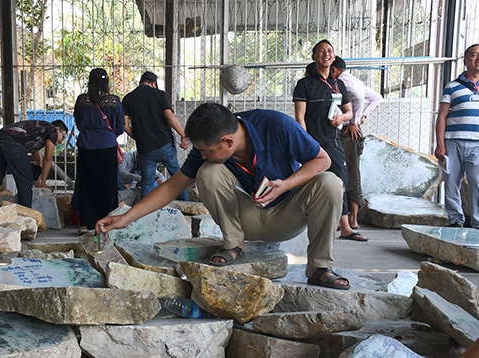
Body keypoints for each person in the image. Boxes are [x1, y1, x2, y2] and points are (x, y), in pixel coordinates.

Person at [97, 103, 351, 290]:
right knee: (208, 172)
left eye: (207, 151)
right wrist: (127, 219)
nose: (202, 155)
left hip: (287, 215)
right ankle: (234, 243)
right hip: (246, 218)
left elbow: (323, 159)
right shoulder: (208, 147)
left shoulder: (276, 125)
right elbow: (171, 187)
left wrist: (286, 184)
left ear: (228, 141)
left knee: (330, 182)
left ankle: (318, 267)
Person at [293, 40, 367, 242]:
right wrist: (306, 142)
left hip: (333, 142)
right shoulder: (304, 84)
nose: (325, 54)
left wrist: (343, 118)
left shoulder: (338, 84)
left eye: (329, 51)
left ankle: (345, 227)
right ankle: (306, 225)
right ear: (314, 57)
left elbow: (349, 111)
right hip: (313, 142)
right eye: (321, 51)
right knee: (312, 182)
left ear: (333, 57)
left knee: (340, 181)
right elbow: (300, 117)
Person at [331, 56, 383, 229]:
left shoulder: (343, 81)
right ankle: (348, 218)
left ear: (334, 69)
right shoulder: (353, 79)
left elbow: (360, 98)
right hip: (345, 131)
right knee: (348, 172)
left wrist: (354, 120)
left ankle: (352, 218)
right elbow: (376, 97)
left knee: (350, 173)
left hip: (349, 133)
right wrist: (363, 116)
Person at [121, 71, 189, 201]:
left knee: (147, 184)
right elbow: (170, 117)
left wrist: (139, 138)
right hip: (165, 145)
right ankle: (185, 208)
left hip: (145, 149)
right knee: (178, 178)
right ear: (154, 83)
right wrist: (183, 135)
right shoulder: (159, 94)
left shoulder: (128, 98)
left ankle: (146, 216)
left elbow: (125, 125)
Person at [71, 68, 125, 231]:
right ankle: (105, 223)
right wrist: (106, 134)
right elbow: (120, 127)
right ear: (106, 82)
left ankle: (86, 223)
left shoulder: (82, 101)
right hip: (107, 147)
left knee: (86, 185)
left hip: (86, 147)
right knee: (107, 186)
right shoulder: (113, 101)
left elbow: (79, 124)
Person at [435, 44, 479, 228]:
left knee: (477, 183)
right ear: (465, 60)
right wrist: (440, 144)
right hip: (452, 142)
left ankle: (477, 222)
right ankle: (455, 220)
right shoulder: (453, 86)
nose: (478, 59)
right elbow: (442, 116)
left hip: (477, 144)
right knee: (452, 183)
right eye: (474, 55)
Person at [0, 119, 68, 210]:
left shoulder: (41, 129)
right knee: (26, 180)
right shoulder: (52, 130)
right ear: (57, 129)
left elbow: (34, 150)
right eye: (63, 137)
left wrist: (38, 165)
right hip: (12, 140)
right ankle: (26, 216)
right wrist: (43, 183)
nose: (61, 141)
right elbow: (48, 158)